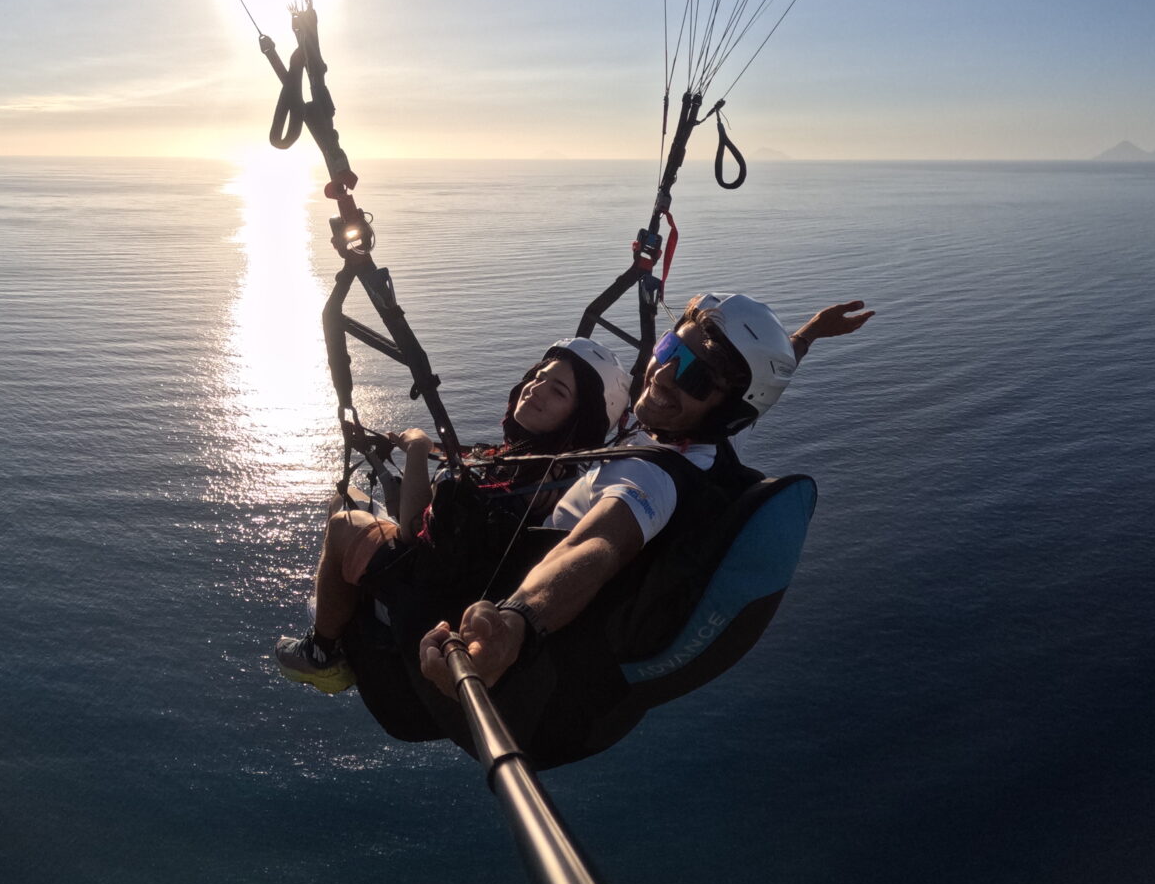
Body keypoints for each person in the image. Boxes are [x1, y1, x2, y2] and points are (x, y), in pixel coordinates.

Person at [417, 292, 873, 710]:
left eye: (695, 378)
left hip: (493, 613)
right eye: (668, 351)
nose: (664, 376)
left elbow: (597, 545)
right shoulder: (693, 442)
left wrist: (515, 622)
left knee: (367, 523)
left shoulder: (653, 476)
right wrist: (809, 333)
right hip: (552, 636)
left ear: (729, 408)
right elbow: (761, 379)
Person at [273, 336, 630, 694]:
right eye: (539, 377)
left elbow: (417, 535)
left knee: (343, 521)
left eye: (558, 391)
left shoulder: (532, 484)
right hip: (456, 572)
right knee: (348, 499)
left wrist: (416, 450)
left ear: (577, 420)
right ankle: (339, 615)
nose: (536, 390)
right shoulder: (547, 469)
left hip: (430, 598)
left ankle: (322, 654)